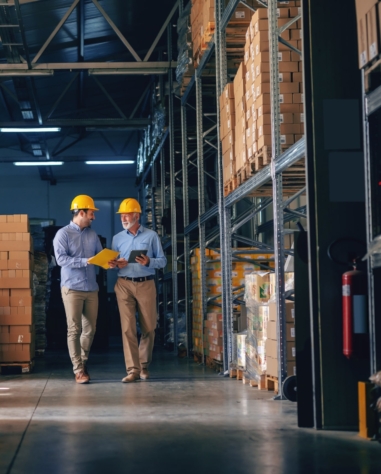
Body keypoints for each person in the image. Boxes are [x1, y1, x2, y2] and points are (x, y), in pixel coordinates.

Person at [109, 198, 167, 383]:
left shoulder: (151, 236)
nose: (123, 218)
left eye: (127, 214)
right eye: (121, 215)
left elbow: (163, 261)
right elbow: (112, 262)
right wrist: (116, 264)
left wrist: (149, 261)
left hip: (145, 284)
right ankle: (132, 370)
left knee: (149, 326)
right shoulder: (117, 238)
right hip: (124, 284)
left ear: (137, 215)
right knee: (128, 328)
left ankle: (144, 365)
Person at [53, 195, 103, 384]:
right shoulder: (63, 234)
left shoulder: (92, 235)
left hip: (91, 288)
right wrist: (85, 261)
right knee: (74, 329)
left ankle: (82, 362)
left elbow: (99, 257)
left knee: (90, 329)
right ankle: (78, 370)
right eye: (91, 213)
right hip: (72, 288)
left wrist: (112, 261)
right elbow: (61, 260)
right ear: (81, 212)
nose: (93, 217)